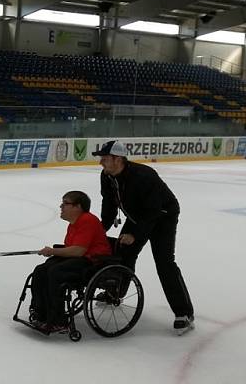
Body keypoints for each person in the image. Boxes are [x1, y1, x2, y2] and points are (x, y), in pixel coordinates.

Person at [93, 140, 194, 334]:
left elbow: (153, 210)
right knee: (123, 251)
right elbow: (109, 206)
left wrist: (135, 234)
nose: (101, 163)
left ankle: (184, 313)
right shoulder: (107, 176)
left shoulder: (144, 175)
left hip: (162, 215)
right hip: (138, 215)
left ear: (118, 159)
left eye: (104, 159)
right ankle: (116, 294)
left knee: (164, 262)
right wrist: (98, 231)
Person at [30, 190, 112, 332]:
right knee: (41, 270)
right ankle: (40, 311)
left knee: (55, 271)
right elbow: (72, 249)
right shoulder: (74, 223)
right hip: (80, 257)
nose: (61, 206)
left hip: (94, 261)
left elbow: (78, 251)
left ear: (77, 206)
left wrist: (52, 251)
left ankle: (58, 319)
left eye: (65, 203)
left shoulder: (87, 220)